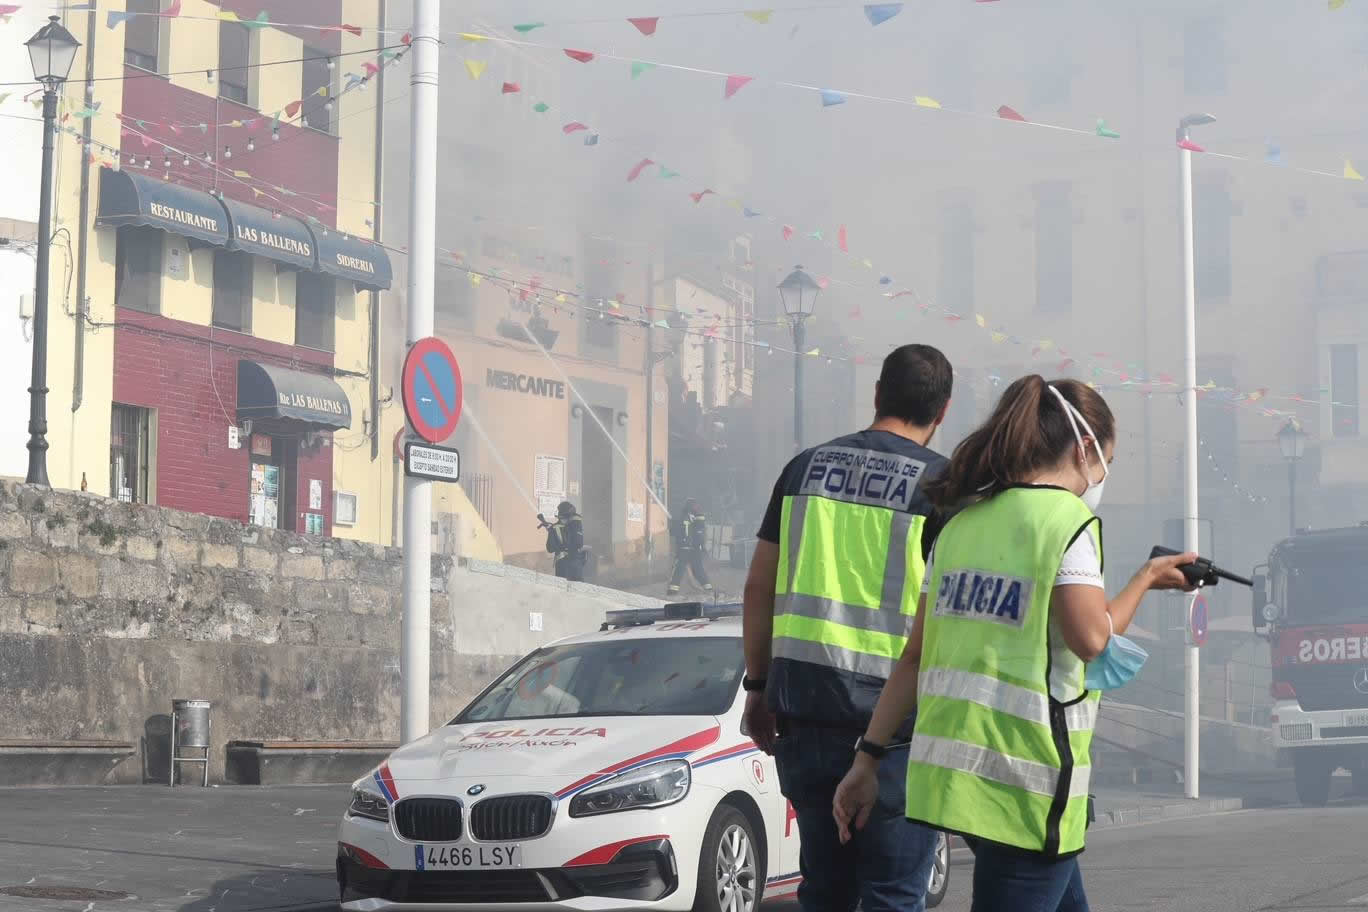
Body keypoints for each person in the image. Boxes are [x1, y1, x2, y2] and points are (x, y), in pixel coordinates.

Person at [832, 376, 1197, 912]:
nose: (1101, 477)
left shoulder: (960, 522)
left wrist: (867, 758)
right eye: (1107, 462)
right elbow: (1092, 639)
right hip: (1029, 783)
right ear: (1085, 448)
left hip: (958, 783)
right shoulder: (1066, 520)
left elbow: (915, 656)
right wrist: (1145, 579)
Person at [741, 343, 954, 912]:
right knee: (892, 893)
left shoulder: (804, 468)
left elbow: (758, 586)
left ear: (878, 394)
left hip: (805, 714)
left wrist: (757, 688)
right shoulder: (944, 487)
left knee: (825, 889)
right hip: (896, 727)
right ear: (944, 411)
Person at [668, 498, 713, 595]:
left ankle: (672, 593)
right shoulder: (698, 518)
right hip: (695, 549)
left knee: (678, 570)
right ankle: (709, 590)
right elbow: (700, 534)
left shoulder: (681, 517)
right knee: (698, 570)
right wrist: (703, 548)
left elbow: (673, 532)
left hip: (683, 549)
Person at [544, 501, 586, 581]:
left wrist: (551, 531)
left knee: (563, 589)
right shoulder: (576, 524)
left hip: (563, 564)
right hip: (577, 562)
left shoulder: (556, 528)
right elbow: (578, 543)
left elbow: (550, 548)